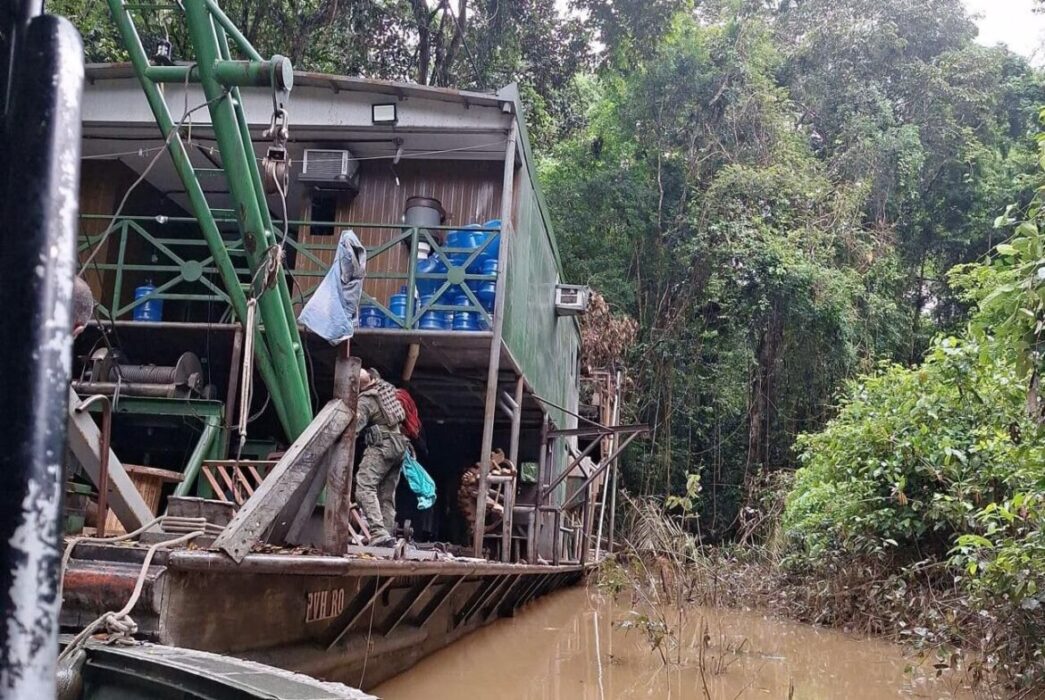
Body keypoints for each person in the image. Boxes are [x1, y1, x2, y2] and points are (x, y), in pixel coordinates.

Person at [354, 368, 410, 547]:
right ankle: (387, 536)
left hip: (382, 446)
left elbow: (353, 428)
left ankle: (378, 532)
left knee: (364, 487)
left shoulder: (366, 400)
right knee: (386, 494)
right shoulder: (387, 389)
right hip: (400, 445)